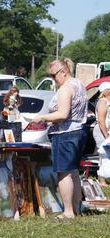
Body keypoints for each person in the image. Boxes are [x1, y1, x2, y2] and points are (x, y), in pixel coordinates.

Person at [33, 58, 87, 219]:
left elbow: (62, 114)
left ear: (63, 72)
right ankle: (77, 209)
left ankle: (68, 211)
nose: (53, 79)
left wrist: (42, 118)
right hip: (79, 131)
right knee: (74, 172)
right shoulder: (79, 84)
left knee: (63, 173)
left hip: (65, 134)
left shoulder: (65, 89)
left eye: (54, 75)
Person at [93, 82, 110, 186]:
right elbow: (101, 120)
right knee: (103, 154)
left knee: (106, 155)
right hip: (101, 131)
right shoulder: (103, 102)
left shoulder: (106, 101)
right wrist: (106, 135)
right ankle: (102, 180)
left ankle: (104, 177)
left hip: (106, 131)